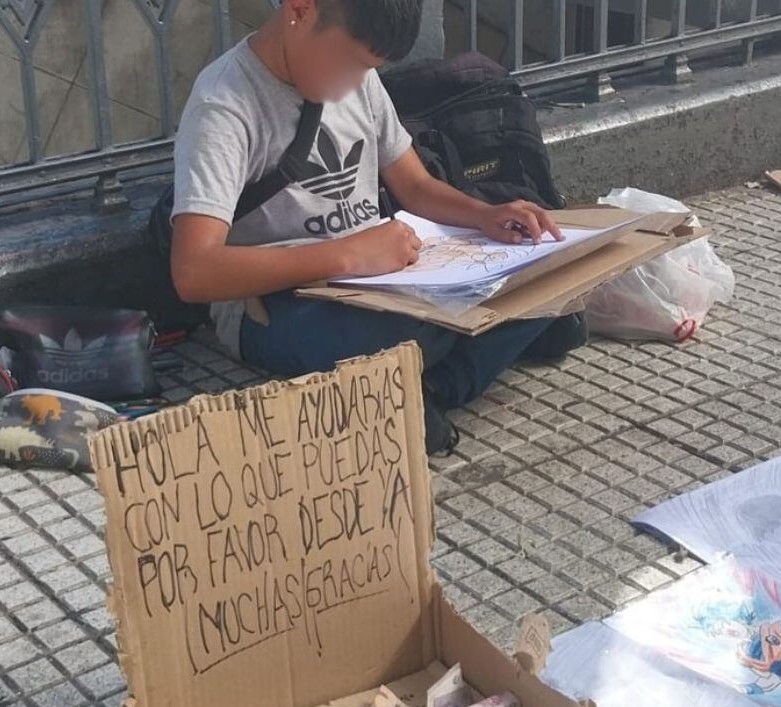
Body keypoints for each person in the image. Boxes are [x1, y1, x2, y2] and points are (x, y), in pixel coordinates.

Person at [167, 0, 586, 454]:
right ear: (300, 10)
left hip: (381, 278)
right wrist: (347, 255)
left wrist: (485, 215)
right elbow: (195, 271)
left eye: (367, 69)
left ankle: (430, 387)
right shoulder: (223, 106)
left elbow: (416, 185)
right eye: (349, 63)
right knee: (398, 334)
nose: (354, 82)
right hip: (279, 303)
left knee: (541, 274)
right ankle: (460, 366)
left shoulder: (360, 79)